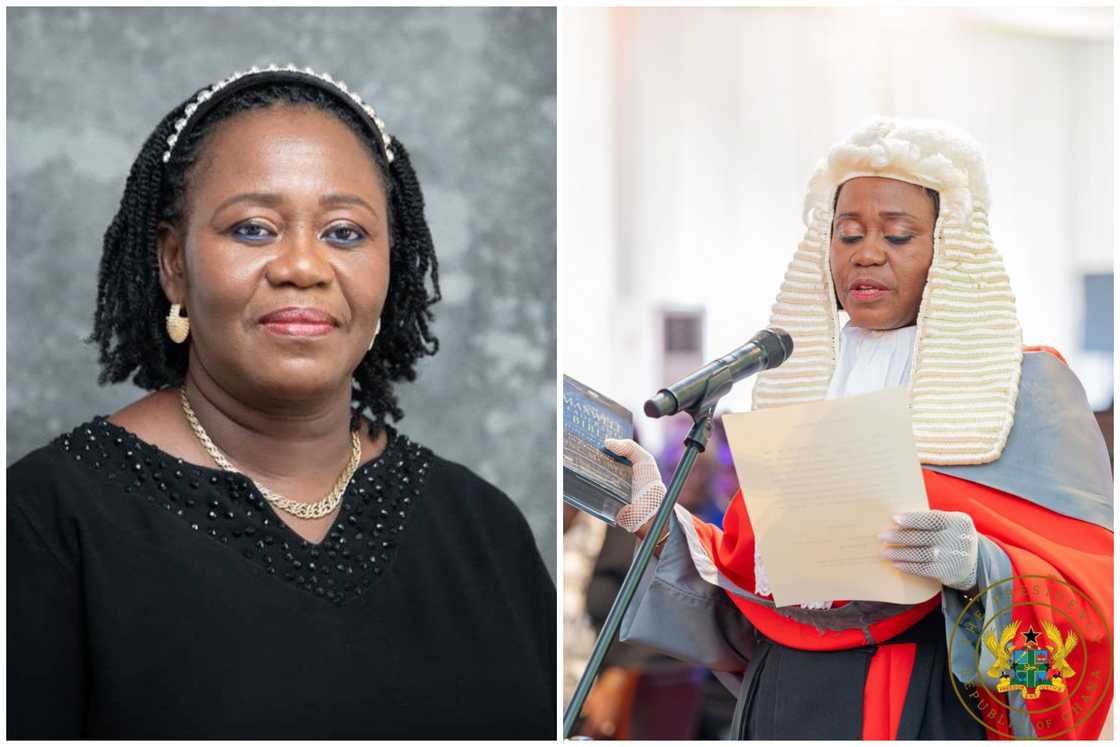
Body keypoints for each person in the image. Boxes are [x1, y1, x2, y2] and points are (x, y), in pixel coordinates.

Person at [7, 65, 554, 739]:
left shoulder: (482, 527)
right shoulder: (43, 521)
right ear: (174, 262)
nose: (303, 264)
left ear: (391, 262)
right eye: (254, 229)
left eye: (345, 233)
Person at [603, 118, 1112, 739]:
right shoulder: (804, 375)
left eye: (897, 235)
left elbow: (1090, 598)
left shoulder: (1027, 386)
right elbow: (748, 598)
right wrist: (656, 519)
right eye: (848, 234)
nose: (866, 253)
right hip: (781, 695)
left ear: (948, 249)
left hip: (924, 697)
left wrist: (984, 566)